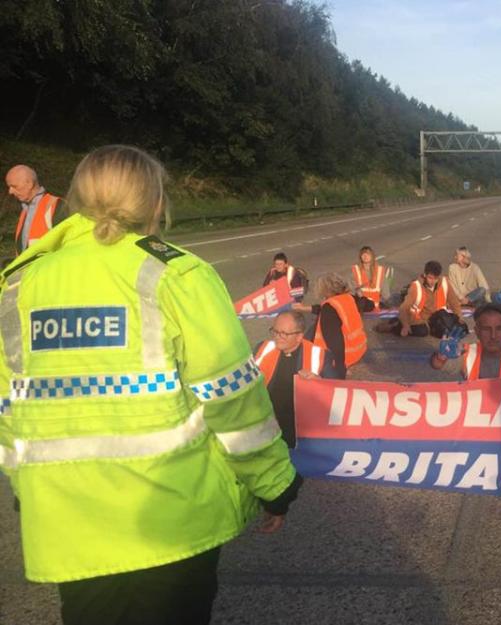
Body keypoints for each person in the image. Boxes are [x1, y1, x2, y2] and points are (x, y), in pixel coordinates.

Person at [0, 145, 302, 625]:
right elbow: (232, 396)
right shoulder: (175, 273)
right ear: (155, 203)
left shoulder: (20, 284)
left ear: (76, 199)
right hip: (170, 521)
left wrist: (26, 485)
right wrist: (275, 484)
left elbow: (10, 410)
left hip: (69, 521)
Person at [253, 311, 324, 447]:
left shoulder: (320, 355)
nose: (278, 337)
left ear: (299, 336)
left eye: (284, 334)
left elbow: (335, 392)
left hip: (298, 429)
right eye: (275, 331)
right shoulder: (262, 348)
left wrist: (318, 381)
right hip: (265, 422)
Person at [302, 272, 368, 377]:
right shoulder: (348, 298)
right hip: (358, 348)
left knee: (307, 342)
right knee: (313, 328)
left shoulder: (329, 308)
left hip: (344, 355)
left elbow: (335, 341)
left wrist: (340, 368)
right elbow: (368, 305)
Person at [378, 260, 464, 338]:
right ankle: (395, 326)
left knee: (454, 329)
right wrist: (405, 325)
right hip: (418, 318)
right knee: (422, 331)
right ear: (425, 275)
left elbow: (454, 302)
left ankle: (399, 321)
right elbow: (403, 308)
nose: (433, 281)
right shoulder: (416, 286)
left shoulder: (445, 282)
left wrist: (459, 316)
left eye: (435, 278)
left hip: (437, 317)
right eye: (430, 278)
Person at [6, 164, 66, 254]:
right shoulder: (25, 209)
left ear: (29, 184)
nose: (10, 191)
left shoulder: (57, 206)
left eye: (14, 186)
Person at [351, 245, 391, 309]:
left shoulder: (380, 271)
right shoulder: (355, 270)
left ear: (372, 256)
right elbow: (351, 291)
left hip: (375, 309)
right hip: (361, 308)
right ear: (360, 257)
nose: (365, 256)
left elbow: (386, 294)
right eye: (363, 254)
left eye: (368, 254)